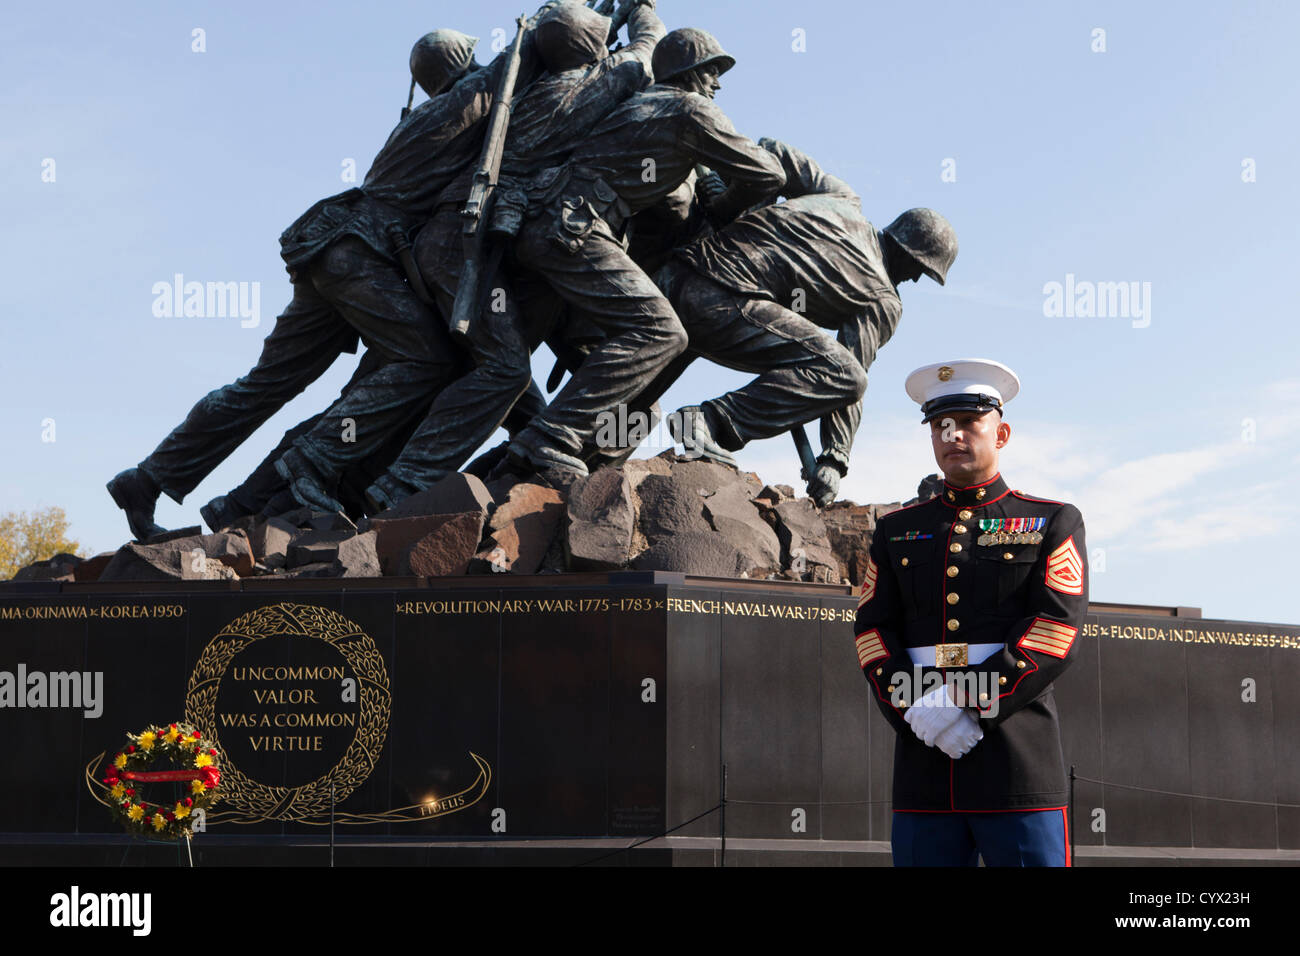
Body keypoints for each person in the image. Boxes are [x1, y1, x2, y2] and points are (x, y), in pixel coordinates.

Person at [106, 24, 545, 539]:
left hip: (336, 252)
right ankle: (311, 464)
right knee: (427, 359)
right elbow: (519, 60)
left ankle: (148, 478)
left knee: (262, 386)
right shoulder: (457, 105)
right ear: (461, 64)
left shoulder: (428, 112)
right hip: (360, 260)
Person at [498, 26, 786, 484]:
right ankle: (549, 438)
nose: (718, 83)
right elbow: (768, 174)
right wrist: (722, 204)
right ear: (690, 71)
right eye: (712, 71)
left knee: (630, 401)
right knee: (662, 332)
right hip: (575, 230)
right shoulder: (692, 109)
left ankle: (510, 469)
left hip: (551, 226)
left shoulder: (638, 105)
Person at [853, 359, 1087, 866]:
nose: (952, 435)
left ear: (1001, 432)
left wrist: (962, 700)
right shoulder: (895, 531)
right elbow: (873, 633)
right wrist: (920, 710)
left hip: (1016, 763)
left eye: (968, 422)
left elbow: (1055, 630)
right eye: (940, 426)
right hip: (923, 761)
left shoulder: (1050, 520)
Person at [642, 140, 956, 506]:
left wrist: (734, 193)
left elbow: (770, 151)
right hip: (720, 305)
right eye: (921, 270)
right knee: (845, 374)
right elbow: (850, 379)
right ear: (909, 255)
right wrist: (834, 460)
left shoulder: (842, 197)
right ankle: (707, 422)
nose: (916, 280)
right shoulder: (882, 299)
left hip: (670, 278)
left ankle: (584, 447)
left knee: (619, 415)